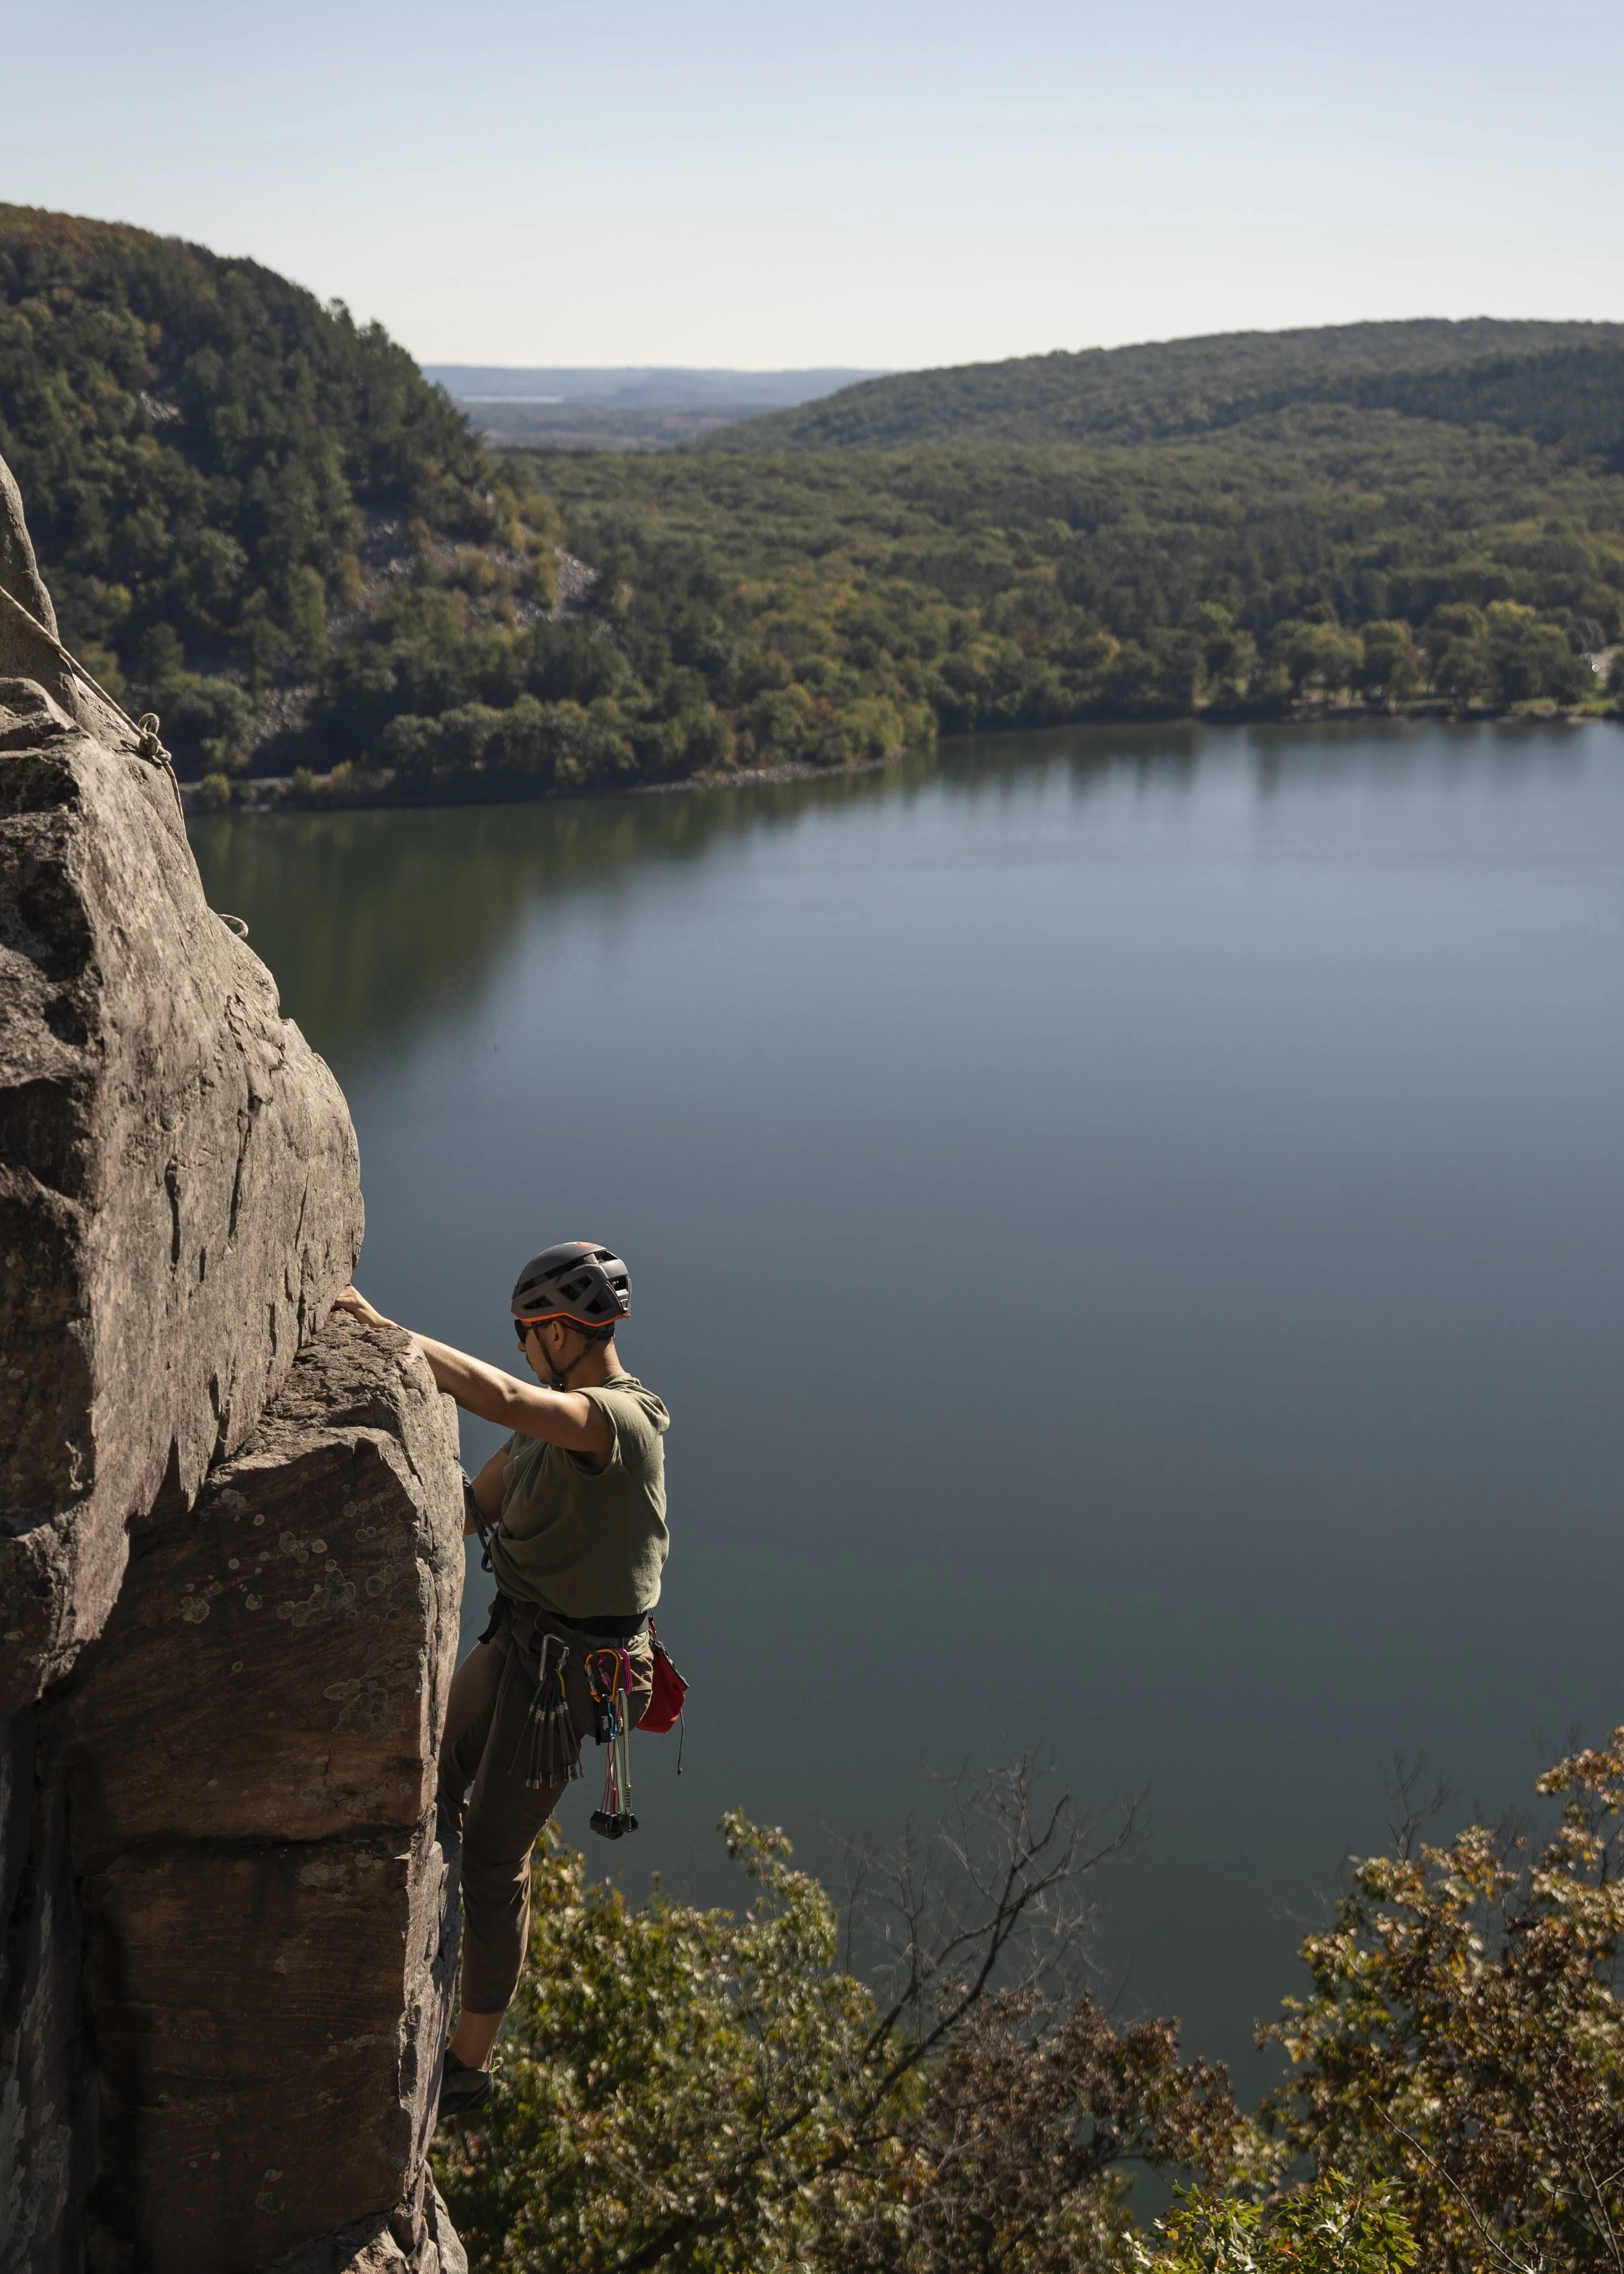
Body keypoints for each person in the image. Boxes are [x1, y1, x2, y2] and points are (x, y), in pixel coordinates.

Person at [332, 1240, 670, 2123]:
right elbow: (474, 1503)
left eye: (527, 1333)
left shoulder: (613, 1422)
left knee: (492, 1858)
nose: (522, 1347)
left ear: (559, 1332)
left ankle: (468, 2070)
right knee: (430, 1771)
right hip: (523, 1639)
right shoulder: (546, 1425)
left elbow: (510, 1396)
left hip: (575, 1673)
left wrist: (390, 1336)